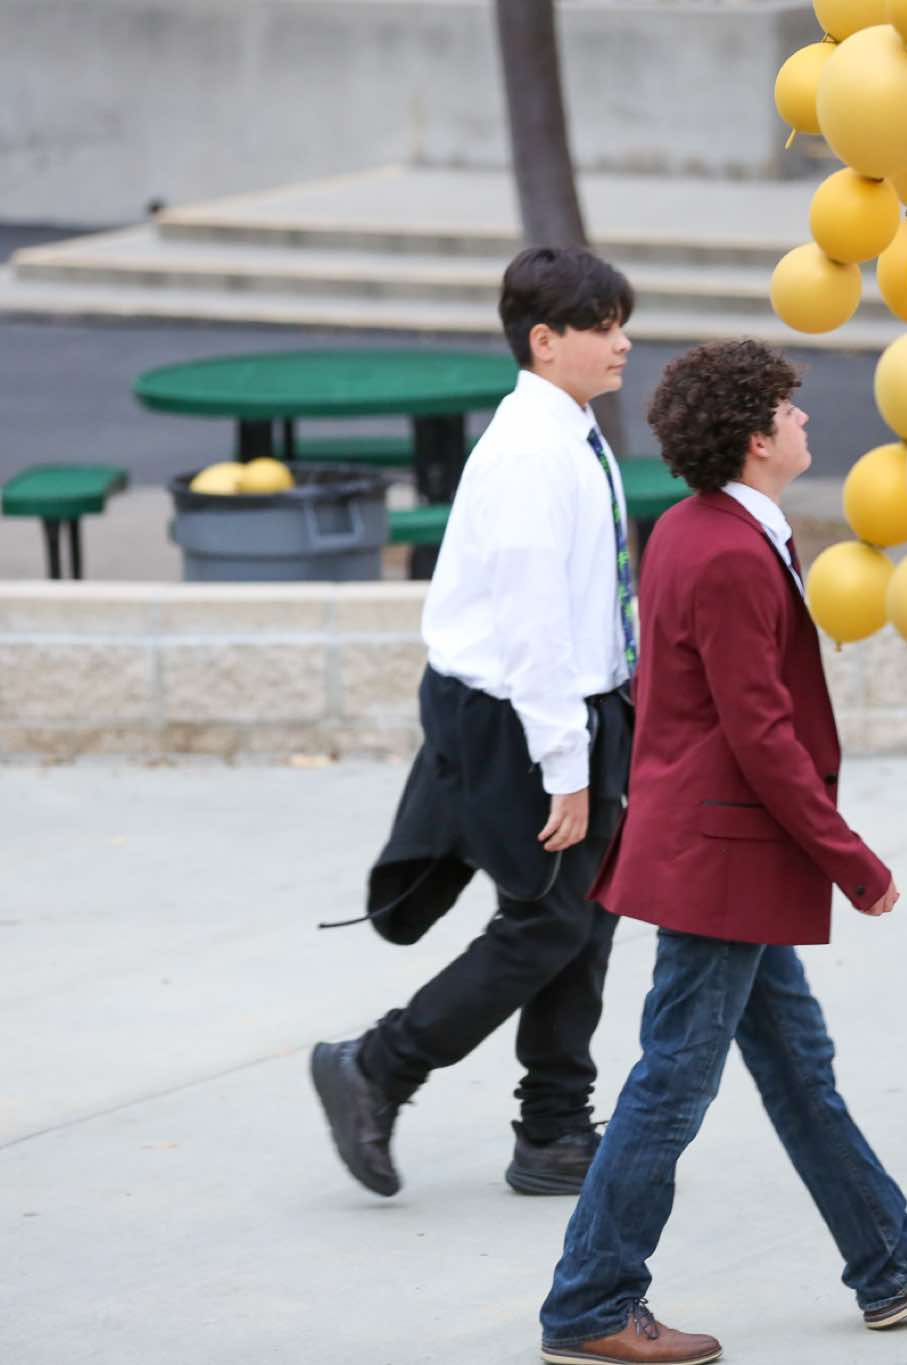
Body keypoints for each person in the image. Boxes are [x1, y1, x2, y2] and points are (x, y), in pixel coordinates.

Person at [535, 340, 907, 1365]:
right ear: (755, 439)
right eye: (788, 410)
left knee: (796, 1065)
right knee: (673, 1080)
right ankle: (589, 1301)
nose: (803, 419)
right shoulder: (727, 552)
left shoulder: (700, 527)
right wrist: (852, 860)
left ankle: (890, 1258)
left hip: (720, 848)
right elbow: (760, 733)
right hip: (721, 858)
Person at [309, 246, 638, 1198]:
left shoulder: (572, 429)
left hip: (574, 704)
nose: (622, 342)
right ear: (545, 340)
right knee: (547, 920)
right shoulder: (530, 452)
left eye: (621, 323)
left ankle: (554, 1129)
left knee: (588, 916)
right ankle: (377, 1066)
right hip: (517, 715)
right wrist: (567, 765)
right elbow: (534, 628)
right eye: (602, 326)